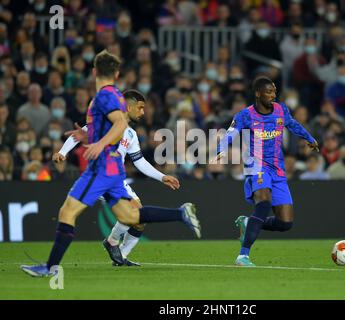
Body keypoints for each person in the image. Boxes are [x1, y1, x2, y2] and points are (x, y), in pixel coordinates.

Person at [20, 51, 199, 277]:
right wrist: (89, 138)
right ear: (116, 73)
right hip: (115, 171)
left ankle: (50, 268)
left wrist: (99, 143)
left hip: (102, 168)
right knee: (131, 217)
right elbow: (111, 126)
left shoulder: (104, 96)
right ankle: (179, 213)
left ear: (94, 71)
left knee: (67, 212)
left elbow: (120, 123)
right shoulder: (115, 96)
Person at [55, 89, 201, 266]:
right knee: (136, 212)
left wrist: (162, 177)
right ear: (128, 106)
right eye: (140, 108)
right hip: (100, 176)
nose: (143, 112)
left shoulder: (130, 134)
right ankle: (112, 242)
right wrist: (62, 152)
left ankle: (121, 256)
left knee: (139, 221)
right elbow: (78, 135)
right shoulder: (105, 123)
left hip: (117, 178)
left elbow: (139, 161)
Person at [214, 76, 318, 266]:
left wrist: (309, 138)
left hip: (277, 170)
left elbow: (293, 124)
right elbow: (231, 133)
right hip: (257, 166)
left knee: (285, 223)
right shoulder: (245, 115)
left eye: (274, 92)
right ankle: (243, 255)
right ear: (257, 93)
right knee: (263, 203)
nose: (273, 95)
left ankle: (248, 223)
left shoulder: (281, 110)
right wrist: (220, 149)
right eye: (269, 92)